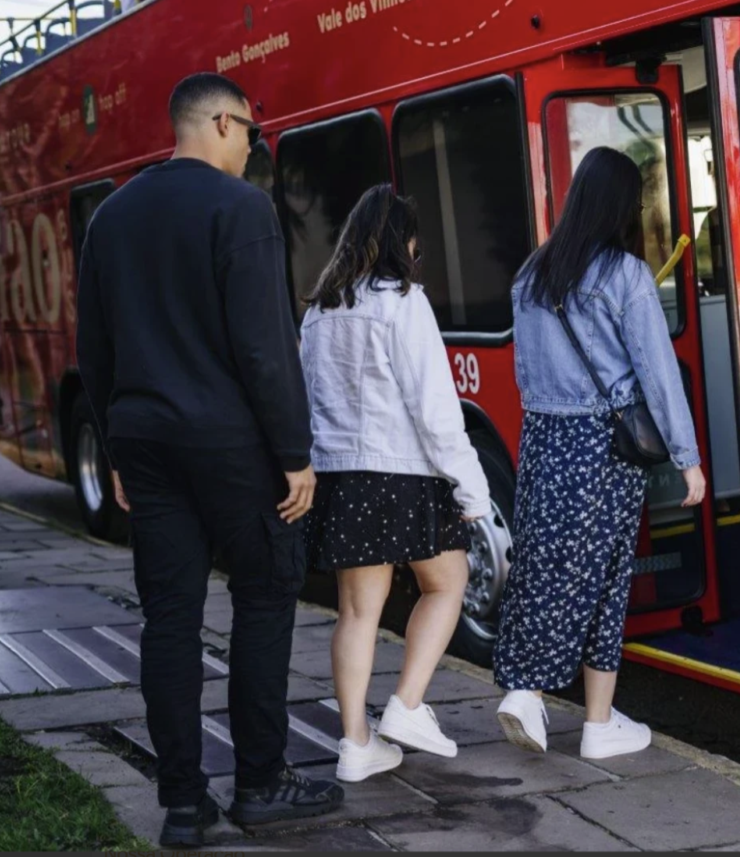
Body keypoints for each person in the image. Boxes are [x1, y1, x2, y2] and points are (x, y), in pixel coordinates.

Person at [75, 72, 343, 848]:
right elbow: (264, 348)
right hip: (231, 443)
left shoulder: (112, 217)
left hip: (146, 441)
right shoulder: (241, 209)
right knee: (264, 594)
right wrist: (294, 453)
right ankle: (260, 781)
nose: (255, 151)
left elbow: (94, 347)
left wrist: (118, 443)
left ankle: (184, 802)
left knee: (170, 617)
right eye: (254, 135)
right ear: (223, 123)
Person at [493, 146, 706, 760]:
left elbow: (526, 376)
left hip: (544, 441)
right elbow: (657, 372)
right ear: (621, 206)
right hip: (602, 447)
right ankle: (576, 714)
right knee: (605, 577)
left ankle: (554, 701)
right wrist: (686, 458)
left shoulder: (530, 274)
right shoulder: (625, 276)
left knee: (544, 564)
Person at [299, 184, 491, 781]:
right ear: (402, 242)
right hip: (399, 472)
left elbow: (307, 401)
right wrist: (472, 490)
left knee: (357, 612)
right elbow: (435, 409)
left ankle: (356, 744)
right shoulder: (402, 302)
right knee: (447, 582)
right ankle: (407, 705)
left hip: (339, 474)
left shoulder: (320, 308)